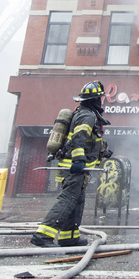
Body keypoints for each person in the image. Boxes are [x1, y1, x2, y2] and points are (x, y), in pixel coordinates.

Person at [31, 83, 110, 247]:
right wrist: (79, 161)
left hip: (76, 168)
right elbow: (78, 139)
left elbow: (89, 140)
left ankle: (69, 237)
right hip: (74, 168)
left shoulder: (83, 114)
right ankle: (43, 235)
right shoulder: (87, 116)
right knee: (67, 199)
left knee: (76, 201)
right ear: (96, 99)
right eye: (100, 98)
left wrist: (102, 151)